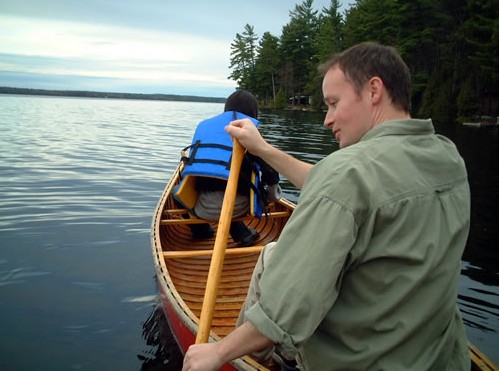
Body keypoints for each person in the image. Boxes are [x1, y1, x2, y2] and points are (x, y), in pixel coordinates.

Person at [182, 42, 471, 371]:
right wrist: (262, 149)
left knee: (272, 256)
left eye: (333, 103)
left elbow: (283, 311)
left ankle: (255, 360)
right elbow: (330, 181)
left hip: (356, 362)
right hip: (441, 359)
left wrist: (217, 354)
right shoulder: (447, 157)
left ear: (374, 90)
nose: (326, 120)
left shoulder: (347, 173)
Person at [174, 90, 280, 247]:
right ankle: (243, 235)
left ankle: (202, 231)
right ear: (253, 112)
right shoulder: (251, 136)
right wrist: (272, 197)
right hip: (240, 208)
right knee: (234, 198)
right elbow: (270, 173)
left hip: (203, 207)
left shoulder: (207, 131)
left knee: (175, 191)